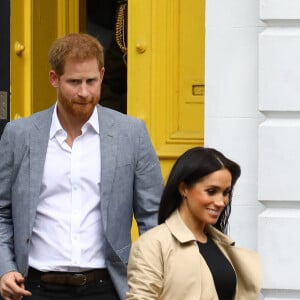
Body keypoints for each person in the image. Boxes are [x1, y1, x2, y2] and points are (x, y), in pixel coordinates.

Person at [0, 33, 164, 300]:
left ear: (101, 75)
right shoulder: (20, 135)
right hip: (34, 288)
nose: (84, 92)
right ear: (54, 79)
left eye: (91, 81)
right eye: (74, 82)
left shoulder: (131, 134)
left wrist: (148, 282)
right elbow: (1, 210)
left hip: (107, 287)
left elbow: (153, 216)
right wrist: (4, 269)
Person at [127, 147, 262, 300]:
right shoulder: (153, 244)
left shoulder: (221, 245)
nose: (221, 202)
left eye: (226, 193)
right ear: (184, 189)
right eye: (211, 191)